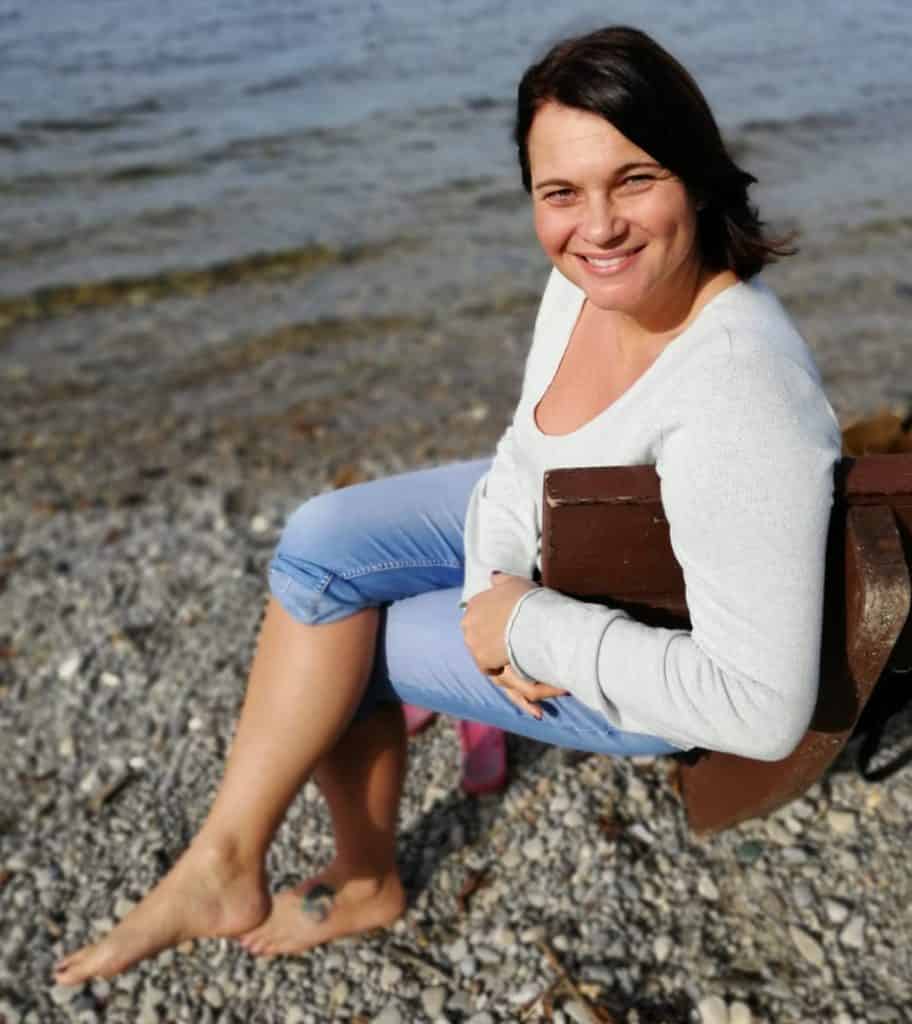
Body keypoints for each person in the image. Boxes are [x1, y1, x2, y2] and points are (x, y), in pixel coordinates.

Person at [54, 25, 840, 985]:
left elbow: (757, 711)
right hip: (570, 543)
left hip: (649, 665)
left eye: (634, 179)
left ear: (698, 173)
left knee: (346, 641)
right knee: (318, 543)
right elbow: (524, 450)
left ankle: (359, 877)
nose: (596, 226)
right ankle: (226, 858)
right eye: (561, 193)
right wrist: (490, 580)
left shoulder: (741, 387)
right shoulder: (591, 284)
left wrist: (530, 628)